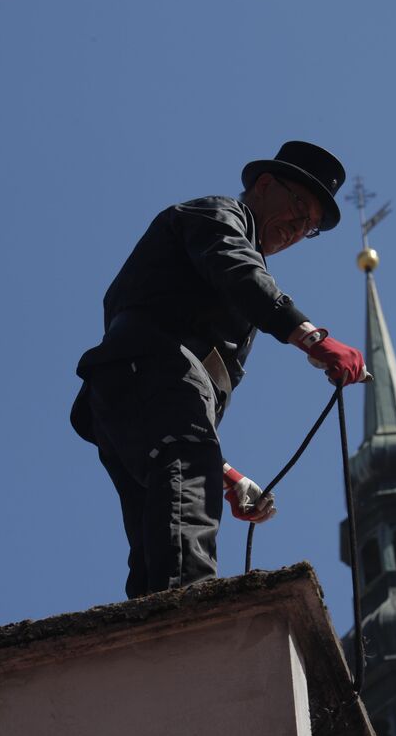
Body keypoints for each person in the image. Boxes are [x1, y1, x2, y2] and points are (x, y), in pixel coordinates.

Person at [70, 140, 368, 598]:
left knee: (159, 522)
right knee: (186, 477)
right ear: (265, 186)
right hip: (150, 365)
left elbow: (179, 423)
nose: (297, 227)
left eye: (309, 227)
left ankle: (155, 634)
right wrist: (313, 338)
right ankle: (190, 619)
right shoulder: (217, 216)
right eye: (298, 208)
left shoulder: (234, 253)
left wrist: (224, 473)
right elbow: (236, 268)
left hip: (134, 384)